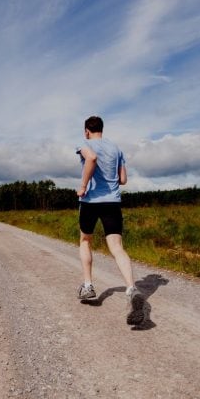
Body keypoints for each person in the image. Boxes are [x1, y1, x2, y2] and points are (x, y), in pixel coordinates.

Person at [76, 116, 143, 325]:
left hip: (90, 201)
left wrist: (83, 186)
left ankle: (88, 286)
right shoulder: (116, 149)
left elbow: (92, 158)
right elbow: (123, 179)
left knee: (86, 240)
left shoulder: (84, 144)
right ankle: (131, 288)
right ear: (101, 129)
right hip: (112, 202)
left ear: (87, 131)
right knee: (116, 247)